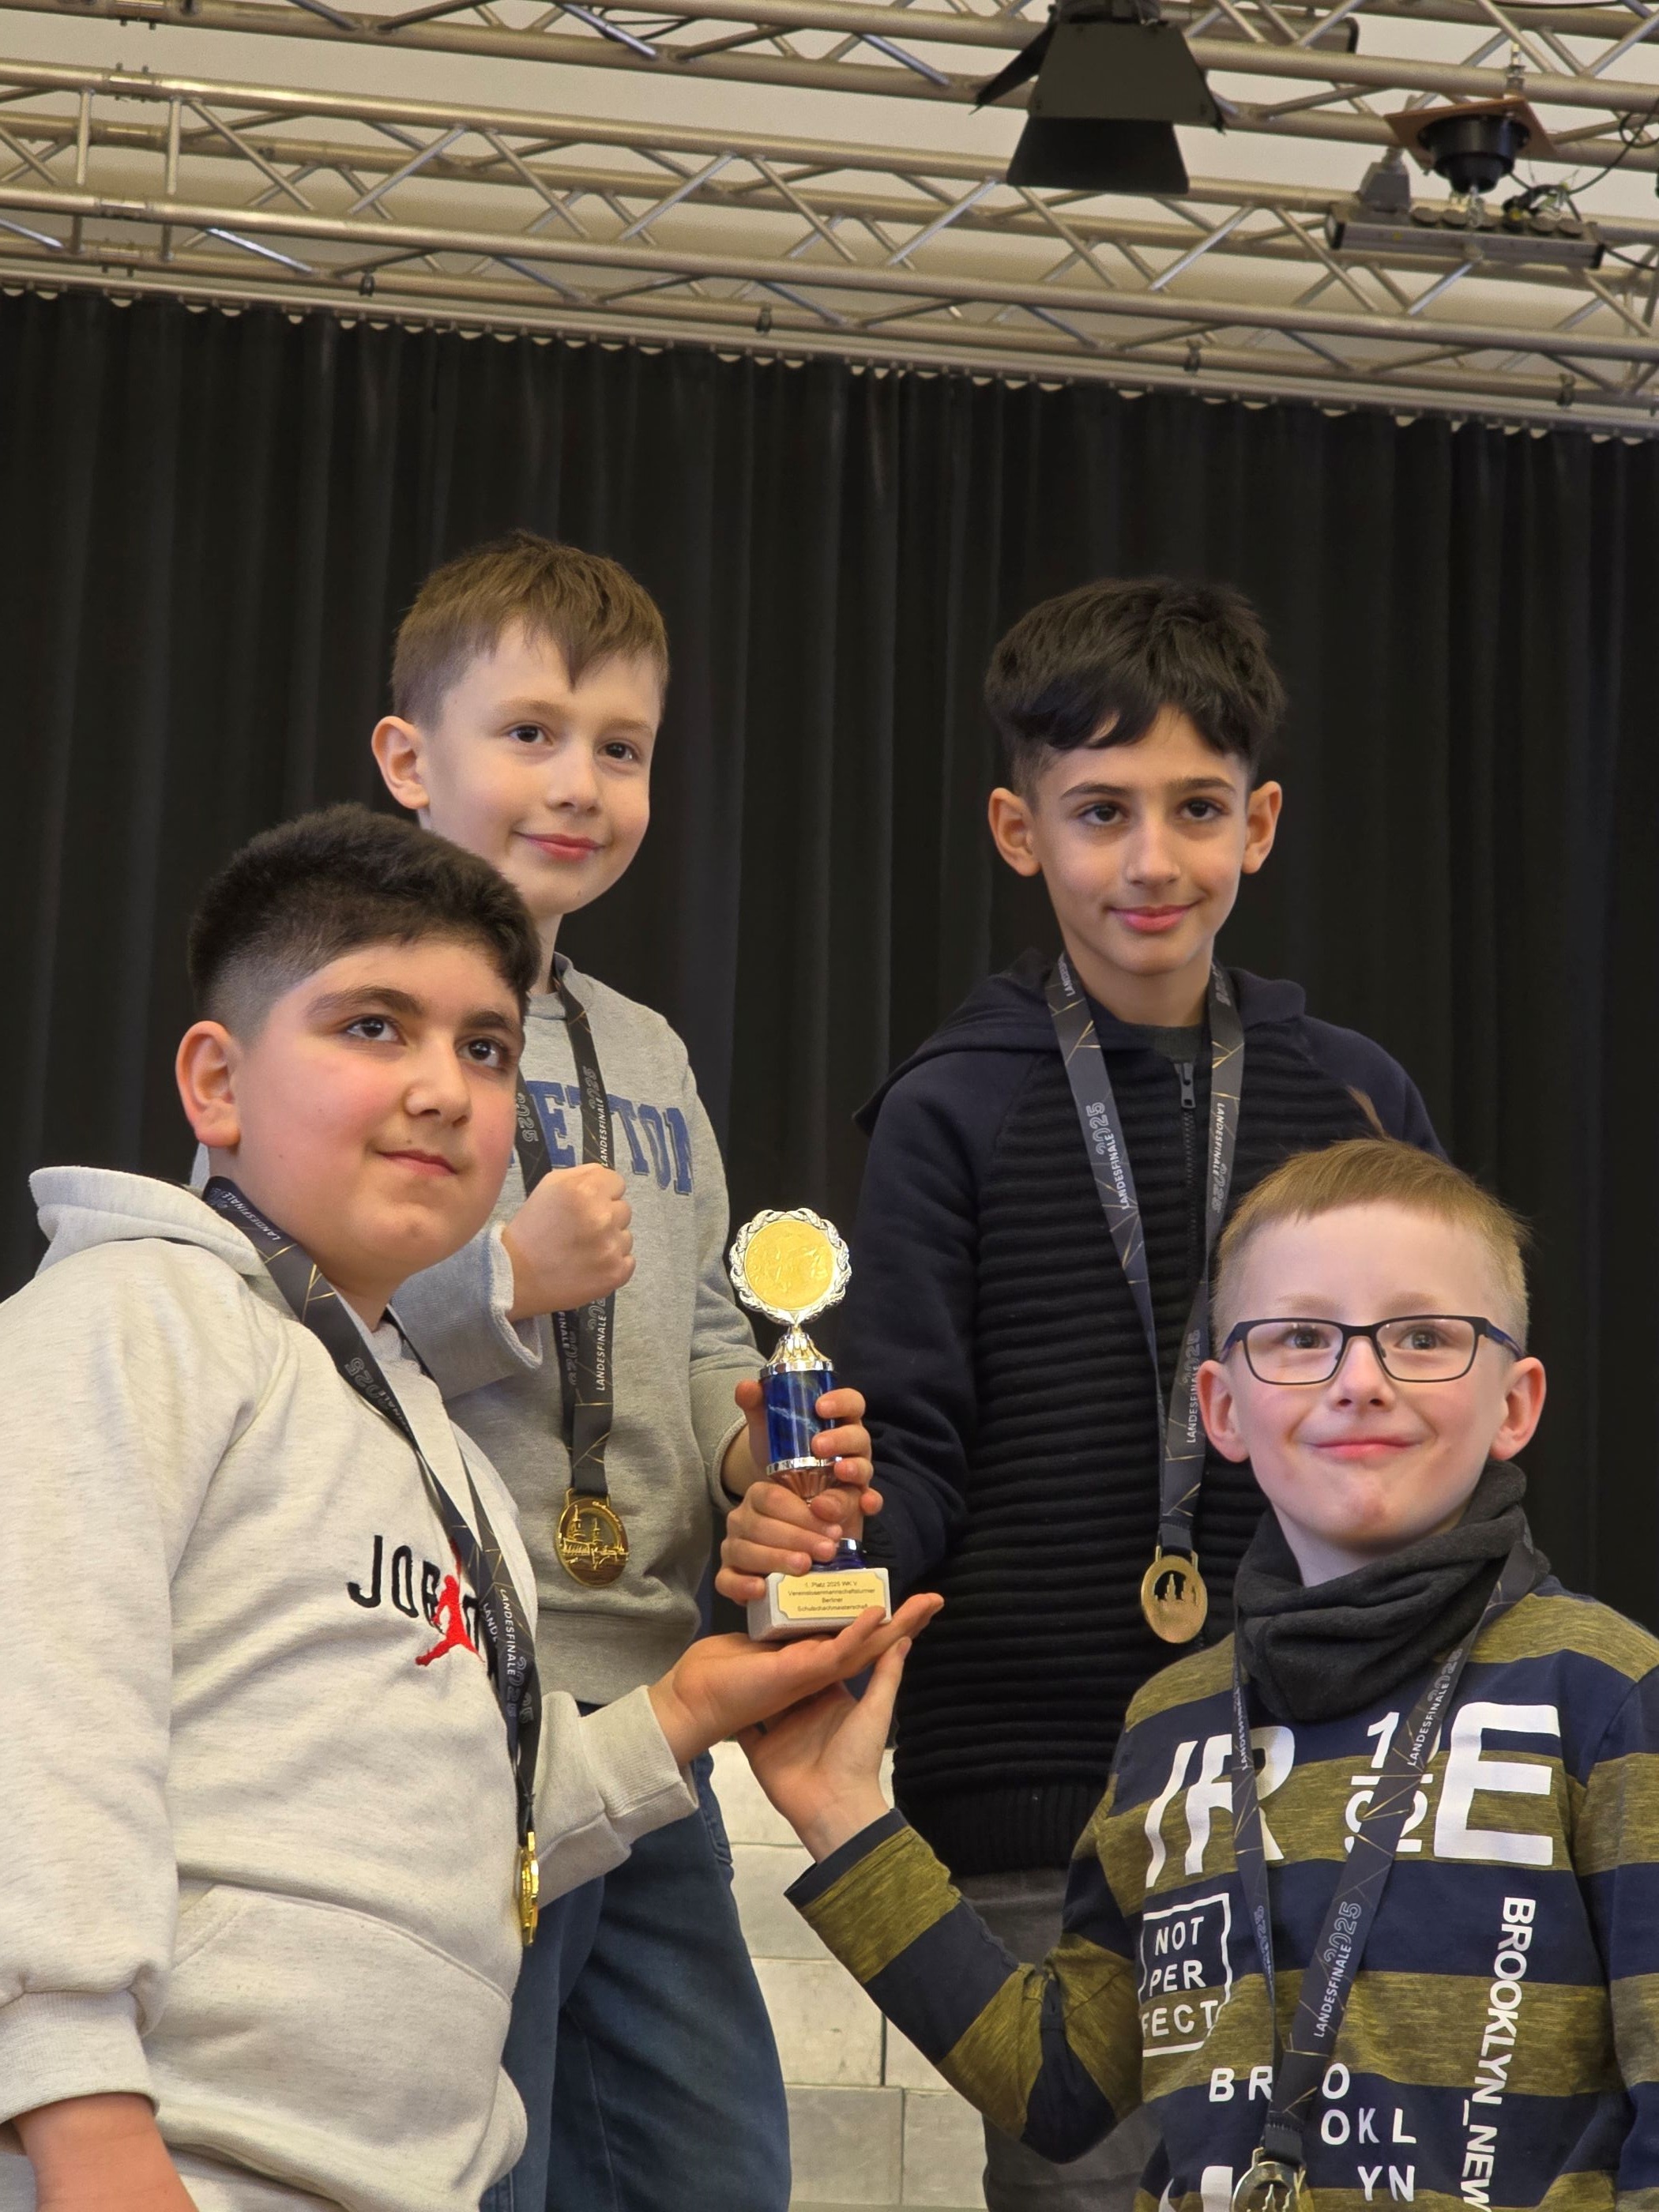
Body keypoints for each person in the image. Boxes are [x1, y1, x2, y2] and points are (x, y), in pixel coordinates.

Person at [0, 805, 937, 2212]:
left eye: (485, 1048)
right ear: (217, 1082)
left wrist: (689, 1706)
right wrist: (88, 2136)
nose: (443, 1087)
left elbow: (477, 1843)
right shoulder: (130, 1318)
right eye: (373, 1027)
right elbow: (41, 1731)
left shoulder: (438, 1453)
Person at [717, 576, 1442, 2208]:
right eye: (1101, 810)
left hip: (1332, 1779)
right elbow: (913, 1443)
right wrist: (823, 1531)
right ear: (1019, 829)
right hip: (1046, 1802)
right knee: (1090, 2180)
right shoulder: (952, 1106)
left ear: (1261, 824)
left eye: (1197, 809)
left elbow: (1426, 1435)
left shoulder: (1353, 1094)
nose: (1152, 859)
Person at [741, 1136, 1659, 2206]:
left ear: (1516, 1404)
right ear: (1221, 1408)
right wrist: (840, 1810)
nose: (1360, 1382)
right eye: (1302, 1338)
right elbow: (1056, 2087)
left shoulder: (1605, 1694)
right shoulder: (1173, 1722)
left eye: (1423, 1337)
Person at [371, 532, 873, 2212]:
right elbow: (280, 1317)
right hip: (449, 1697)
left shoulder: (644, 1046)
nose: (579, 783)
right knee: (479, 2162)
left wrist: (762, 1460)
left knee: (709, 2168)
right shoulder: (346, 1008)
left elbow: (717, 1333)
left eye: (623, 746)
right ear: (410, 759)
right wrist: (506, 1279)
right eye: (529, 732)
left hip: (656, 1708)